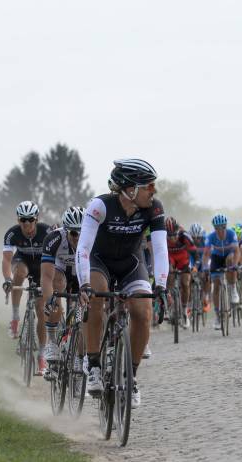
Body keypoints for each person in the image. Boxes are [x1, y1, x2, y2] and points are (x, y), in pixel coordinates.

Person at [76, 158, 168, 409]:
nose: (154, 191)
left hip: (130, 263)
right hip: (99, 262)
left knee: (143, 312)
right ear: (129, 189)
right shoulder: (100, 206)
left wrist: (161, 284)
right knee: (96, 297)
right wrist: (84, 283)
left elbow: (159, 250)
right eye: (148, 186)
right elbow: (83, 248)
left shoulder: (154, 208)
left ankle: (131, 376)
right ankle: (93, 363)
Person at [2, 201, 51, 371]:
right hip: (21, 261)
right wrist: (7, 279)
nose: (27, 224)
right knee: (20, 273)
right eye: (23, 220)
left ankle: (42, 355)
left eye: (30, 220)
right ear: (18, 220)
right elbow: (7, 260)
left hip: (41, 267)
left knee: (41, 310)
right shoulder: (12, 234)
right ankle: (15, 318)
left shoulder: (47, 231)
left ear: (37, 219)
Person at [41, 206, 84, 369]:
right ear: (66, 231)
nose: (78, 237)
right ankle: (51, 342)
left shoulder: (93, 237)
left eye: (81, 232)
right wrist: (49, 299)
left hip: (81, 276)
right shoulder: (54, 238)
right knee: (56, 287)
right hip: (60, 273)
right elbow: (46, 276)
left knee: (83, 313)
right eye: (74, 233)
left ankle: (80, 358)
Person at [202, 214, 239, 330]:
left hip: (228, 256)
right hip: (216, 258)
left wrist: (235, 265)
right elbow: (206, 254)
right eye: (218, 228)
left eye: (223, 227)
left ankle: (233, 289)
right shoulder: (211, 237)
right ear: (215, 228)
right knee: (216, 285)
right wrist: (204, 267)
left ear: (226, 226)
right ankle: (218, 316)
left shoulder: (231, 234)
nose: (221, 230)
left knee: (230, 261)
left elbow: (237, 251)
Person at [165, 216, 197, 328]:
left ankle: (184, 311)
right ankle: (169, 305)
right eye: (169, 236)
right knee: (169, 276)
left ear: (178, 231)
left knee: (185, 282)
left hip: (183, 258)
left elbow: (194, 252)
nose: (172, 238)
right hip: (171, 258)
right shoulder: (163, 237)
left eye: (174, 235)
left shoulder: (184, 235)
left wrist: (195, 266)